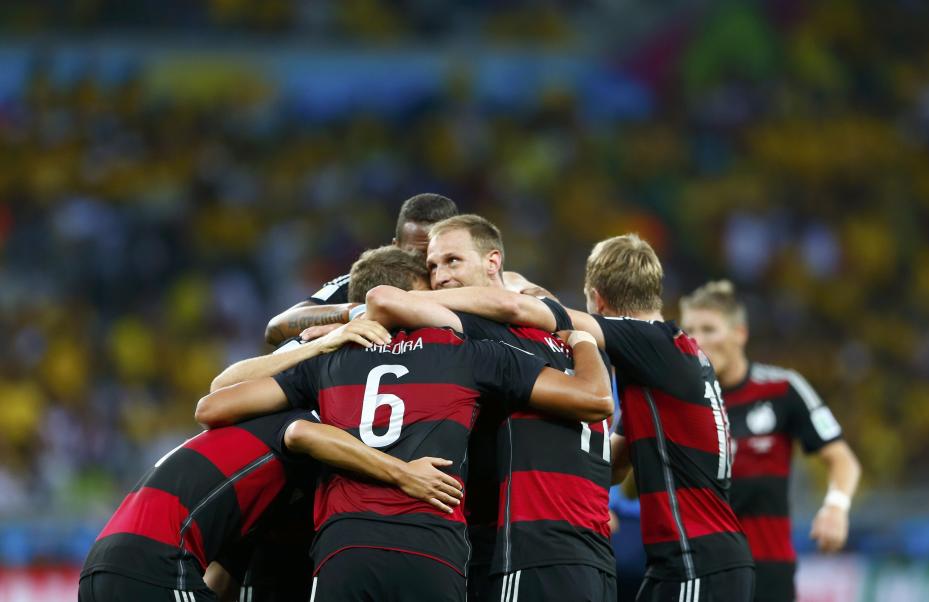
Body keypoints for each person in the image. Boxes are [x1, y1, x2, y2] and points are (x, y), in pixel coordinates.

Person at [194, 245, 615, 602]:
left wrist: (324, 340)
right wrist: (580, 339)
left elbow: (213, 404)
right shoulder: (466, 352)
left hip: (344, 548)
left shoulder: (330, 360)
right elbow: (593, 400)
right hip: (433, 551)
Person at [424, 234, 756, 602]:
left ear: (597, 299)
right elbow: (613, 466)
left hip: (697, 559)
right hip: (690, 559)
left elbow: (529, 314)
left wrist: (412, 299)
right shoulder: (669, 362)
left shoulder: (652, 342)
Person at [79, 322, 462, 602]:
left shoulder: (244, 449)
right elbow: (301, 434)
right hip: (157, 565)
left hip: (103, 565)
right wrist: (402, 472)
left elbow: (223, 574)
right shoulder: (294, 420)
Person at [357, 214, 617, 602]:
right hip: (593, 555)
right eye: (432, 266)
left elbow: (384, 300)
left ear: (493, 263)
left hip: (526, 549)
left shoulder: (488, 334)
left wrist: (341, 324)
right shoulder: (572, 343)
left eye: (452, 261)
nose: (440, 275)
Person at [679, 280, 861, 602]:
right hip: (696, 571)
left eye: (709, 329)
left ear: (740, 333)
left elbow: (842, 458)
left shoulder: (782, 389)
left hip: (767, 572)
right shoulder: (678, 400)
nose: (698, 341)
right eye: (690, 330)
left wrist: (835, 508)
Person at [263, 193, 458, 346]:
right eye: (418, 254)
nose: (430, 263)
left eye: (446, 256)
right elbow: (276, 327)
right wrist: (358, 312)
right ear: (395, 247)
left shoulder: (473, 279)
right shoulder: (368, 280)